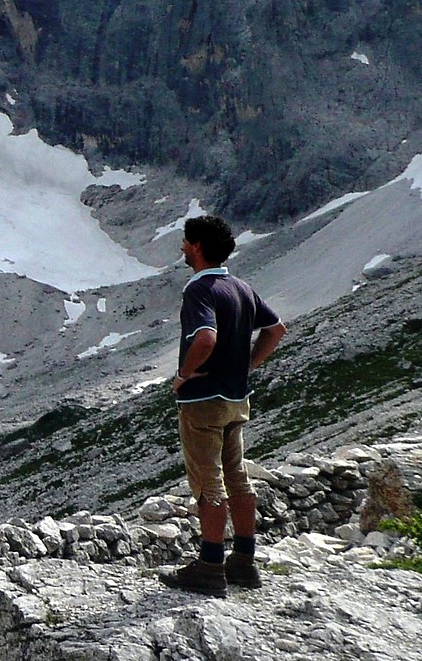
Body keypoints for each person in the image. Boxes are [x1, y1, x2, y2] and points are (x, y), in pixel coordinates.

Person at [161, 214, 286, 595]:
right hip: (236, 399)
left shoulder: (199, 290)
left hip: (203, 401)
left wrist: (184, 374)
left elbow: (205, 338)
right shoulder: (241, 287)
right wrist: (247, 365)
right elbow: (276, 328)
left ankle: (210, 565)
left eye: (185, 241)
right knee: (237, 475)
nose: (182, 246)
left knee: (207, 483)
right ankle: (244, 561)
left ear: (197, 246)